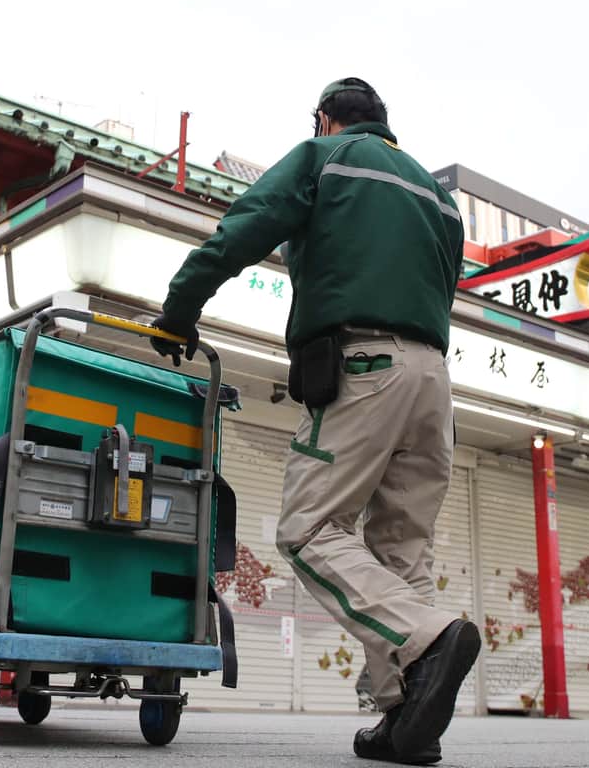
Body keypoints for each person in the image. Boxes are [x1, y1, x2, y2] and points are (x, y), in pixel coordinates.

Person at [150, 78, 479, 765]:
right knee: (402, 552)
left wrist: (180, 308)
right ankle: (403, 723)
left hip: (364, 368)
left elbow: (244, 226)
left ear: (327, 118)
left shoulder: (324, 156)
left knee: (307, 529)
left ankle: (428, 635)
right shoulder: (439, 199)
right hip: (435, 382)